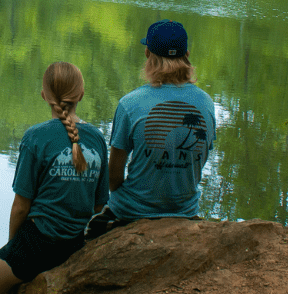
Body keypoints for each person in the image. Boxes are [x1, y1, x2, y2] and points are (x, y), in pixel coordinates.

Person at [0, 62, 108, 294]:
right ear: (81, 95)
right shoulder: (97, 139)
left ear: (44, 96)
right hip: (75, 242)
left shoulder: (36, 138)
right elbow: (98, 206)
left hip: (39, 243)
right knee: (2, 287)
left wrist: (13, 246)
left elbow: (21, 207)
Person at [85, 19, 217, 240]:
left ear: (147, 54)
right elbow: (199, 160)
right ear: (187, 54)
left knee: (87, 237)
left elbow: (114, 177)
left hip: (132, 211)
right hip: (184, 211)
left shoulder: (130, 104)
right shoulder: (206, 103)